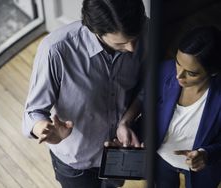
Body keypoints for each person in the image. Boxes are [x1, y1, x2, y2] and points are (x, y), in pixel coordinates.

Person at [22, 0, 147, 187]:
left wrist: (126, 121)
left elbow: (146, 86)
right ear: (95, 30)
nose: (132, 48)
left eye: (135, 39)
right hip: (76, 164)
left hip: (119, 151)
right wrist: (46, 130)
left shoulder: (145, 29)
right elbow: (32, 112)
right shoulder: (55, 50)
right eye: (121, 43)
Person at [156, 26, 221, 188]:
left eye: (191, 73)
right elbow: (144, 96)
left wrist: (207, 154)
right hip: (160, 159)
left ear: (212, 72)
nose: (179, 75)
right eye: (178, 63)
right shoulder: (165, 69)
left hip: (203, 171)